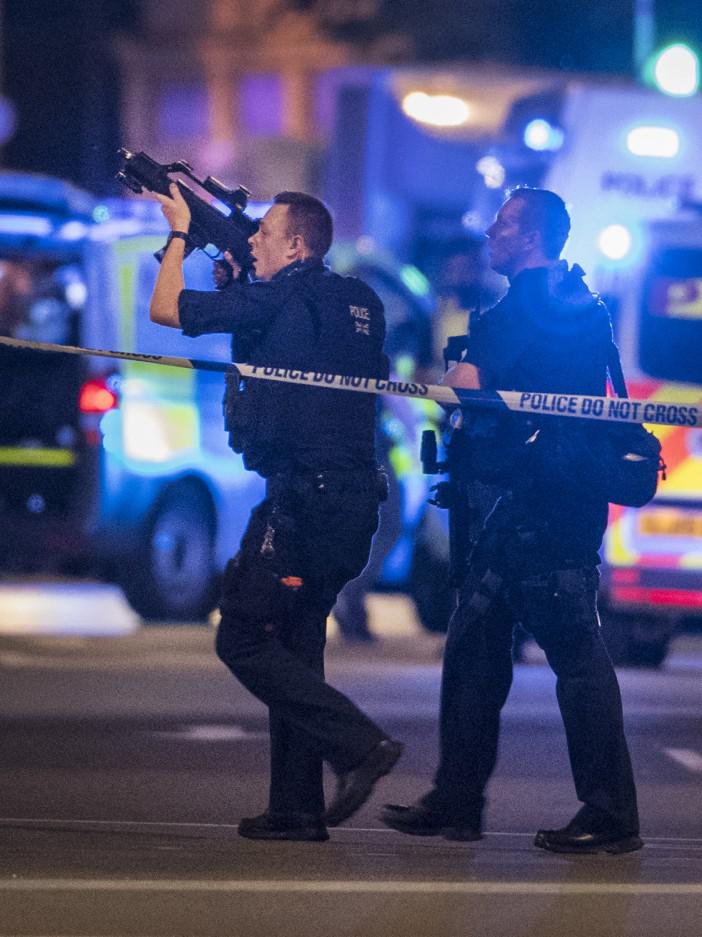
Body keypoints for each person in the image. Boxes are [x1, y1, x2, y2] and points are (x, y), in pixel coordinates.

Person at [380, 187, 642, 854]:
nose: (489, 232)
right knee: (473, 649)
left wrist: (456, 369)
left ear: (529, 237)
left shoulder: (523, 307)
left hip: (537, 504)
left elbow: (468, 382)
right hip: (539, 501)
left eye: (501, 223)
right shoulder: (578, 301)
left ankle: (610, 814)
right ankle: (458, 800)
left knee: (576, 655)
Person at [148, 184, 402, 842]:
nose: (252, 239)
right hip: (352, 504)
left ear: (296, 244)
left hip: (301, 500)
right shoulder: (362, 301)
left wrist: (178, 233)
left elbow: (166, 306)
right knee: (297, 642)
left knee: (241, 634)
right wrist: (240, 288)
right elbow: (290, 352)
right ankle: (296, 807)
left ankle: (357, 744)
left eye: (263, 232)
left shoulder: (279, 295)